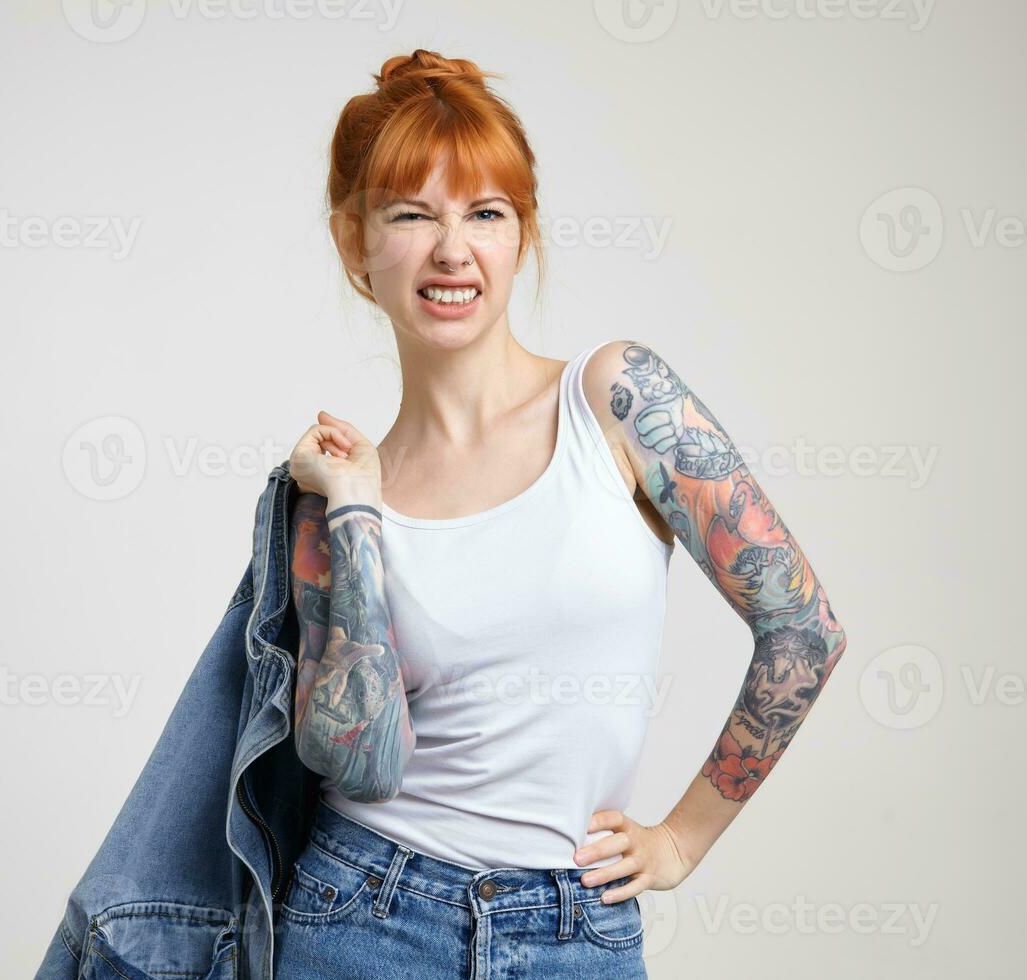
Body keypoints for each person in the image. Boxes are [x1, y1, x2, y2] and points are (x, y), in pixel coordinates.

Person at [280, 48, 848, 979]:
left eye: (485, 214)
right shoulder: (334, 493)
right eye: (411, 215)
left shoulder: (619, 401)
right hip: (362, 920)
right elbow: (366, 765)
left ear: (523, 235)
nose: (452, 251)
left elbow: (804, 631)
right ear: (354, 240)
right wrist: (353, 511)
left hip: (574, 932)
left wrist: (679, 842)